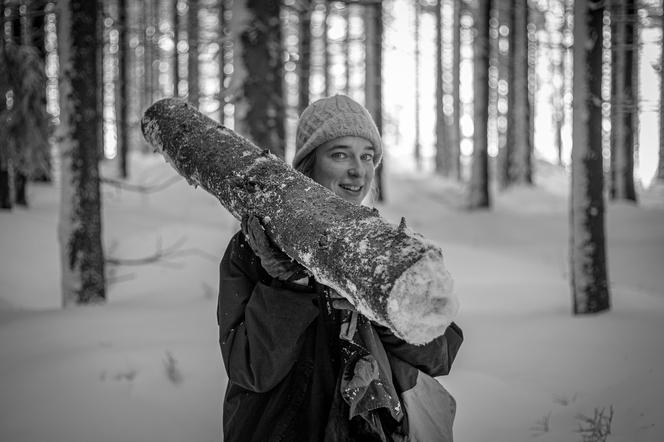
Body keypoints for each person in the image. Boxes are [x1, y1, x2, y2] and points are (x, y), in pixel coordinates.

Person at [217, 94, 463, 442]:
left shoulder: (380, 247)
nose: (357, 169)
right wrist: (290, 285)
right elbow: (252, 370)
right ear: (308, 163)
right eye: (340, 154)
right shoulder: (256, 247)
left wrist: (384, 309)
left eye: (367, 156)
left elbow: (442, 354)